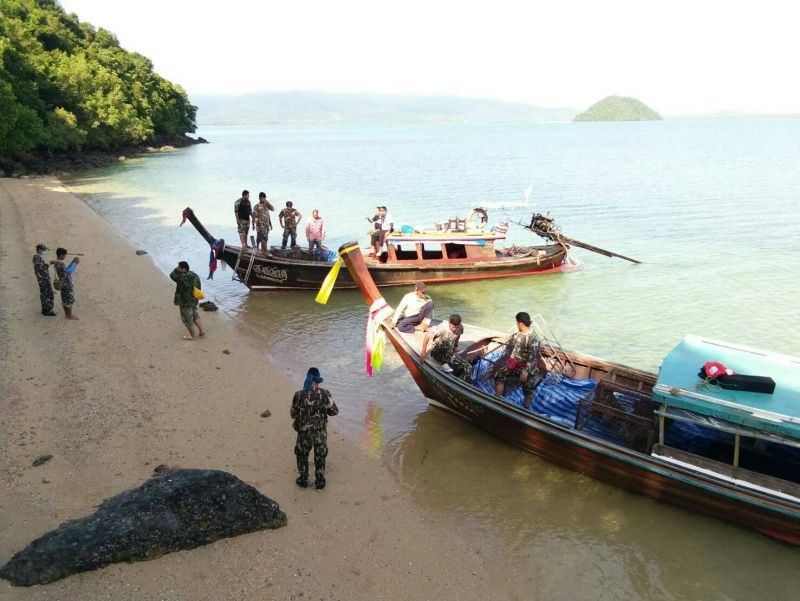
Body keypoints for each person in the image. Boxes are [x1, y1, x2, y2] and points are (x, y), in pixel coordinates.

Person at [290, 367, 339, 490]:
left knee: (301, 455)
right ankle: (320, 482)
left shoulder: (299, 395)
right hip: (320, 432)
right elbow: (334, 411)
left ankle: (303, 479)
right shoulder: (324, 394)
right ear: (318, 380)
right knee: (320, 456)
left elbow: (293, 414)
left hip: (304, 432)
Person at [494, 312, 541, 408]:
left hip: (527, 368)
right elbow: (512, 346)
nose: (516, 324)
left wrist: (525, 372)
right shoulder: (518, 334)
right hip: (514, 364)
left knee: (528, 389)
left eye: (516, 322)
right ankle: (496, 400)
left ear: (520, 323)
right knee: (499, 375)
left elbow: (532, 358)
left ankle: (525, 409)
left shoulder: (533, 339)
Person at [420, 313, 473, 382]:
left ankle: (466, 384)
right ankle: (443, 363)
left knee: (468, 367)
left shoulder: (460, 327)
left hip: (449, 352)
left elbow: (458, 334)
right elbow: (427, 336)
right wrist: (423, 351)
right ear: (449, 322)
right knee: (447, 343)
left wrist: (456, 346)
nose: (454, 329)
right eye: (453, 327)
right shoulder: (442, 328)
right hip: (438, 351)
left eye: (456, 327)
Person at [170, 261, 205, 340]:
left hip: (185, 302)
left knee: (187, 319)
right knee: (195, 315)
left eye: (178, 267)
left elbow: (172, 275)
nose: (177, 268)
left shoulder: (181, 277)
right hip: (194, 299)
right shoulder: (194, 275)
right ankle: (201, 331)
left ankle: (192, 336)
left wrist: (176, 270)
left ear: (183, 269)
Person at [51, 248, 80, 320]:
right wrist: (75, 264)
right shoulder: (60, 263)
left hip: (63, 283)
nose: (65, 256)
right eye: (64, 255)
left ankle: (67, 315)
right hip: (67, 284)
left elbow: (66, 268)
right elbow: (69, 271)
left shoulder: (57, 262)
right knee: (69, 300)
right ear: (61, 255)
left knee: (64, 300)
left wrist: (72, 262)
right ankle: (69, 316)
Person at [33, 243, 56, 316]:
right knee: (48, 294)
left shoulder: (38, 257)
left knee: (45, 294)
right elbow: (41, 268)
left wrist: (50, 263)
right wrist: (50, 263)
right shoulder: (36, 257)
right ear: (40, 249)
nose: (45, 251)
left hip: (43, 278)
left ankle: (45, 309)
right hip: (43, 279)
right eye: (44, 250)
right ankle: (48, 310)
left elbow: (43, 267)